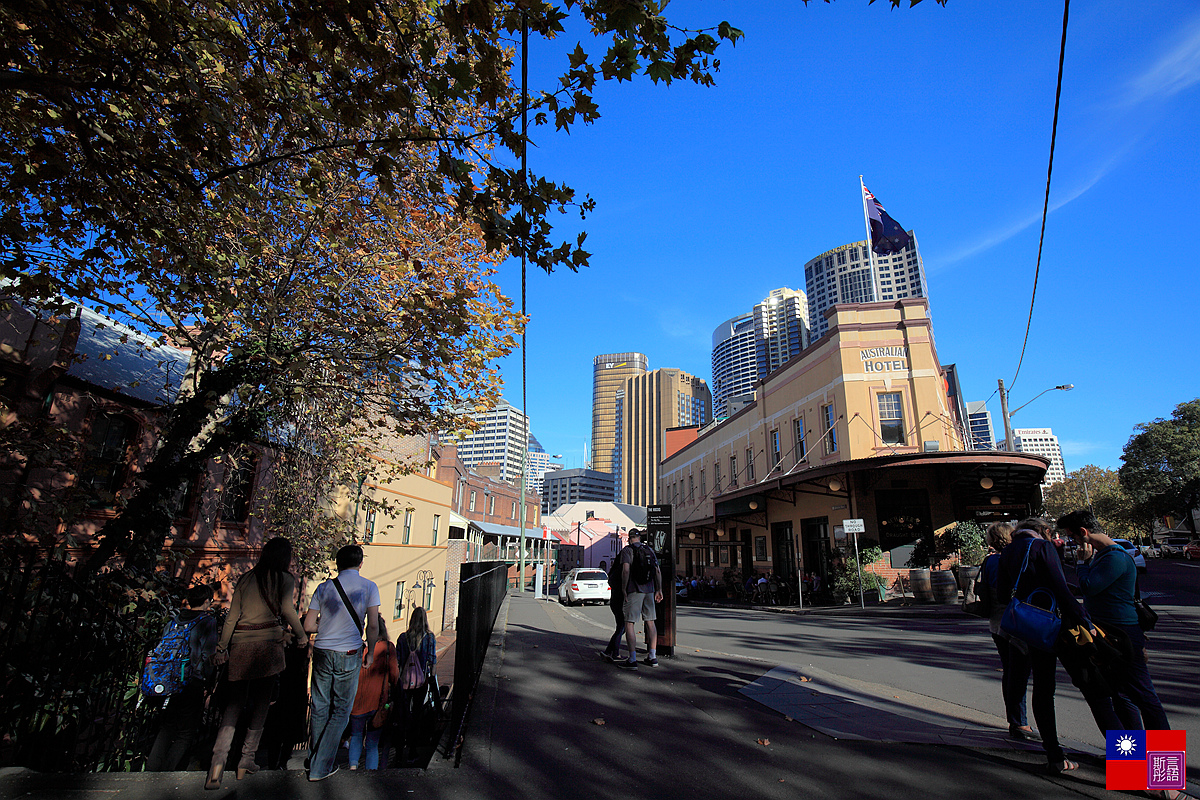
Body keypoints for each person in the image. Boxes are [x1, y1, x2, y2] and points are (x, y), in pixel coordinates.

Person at [997, 517, 1123, 776]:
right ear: (1043, 530)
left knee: (1043, 690)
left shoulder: (1007, 552)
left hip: (1034, 630)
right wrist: (1084, 620)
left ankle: (1055, 755)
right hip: (1062, 627)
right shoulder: (1042, 548)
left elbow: (1001, 593)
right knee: (1096, 693)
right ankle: (1127, 763)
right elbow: (1060, 588)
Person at [207, 538, 308, 789]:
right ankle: (246, 760)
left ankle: (216, 767)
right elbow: (287, 609)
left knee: (233, 706)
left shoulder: (246, 579)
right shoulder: (284, 579)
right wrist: (302, 635)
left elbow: (231, 617)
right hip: (268, 645)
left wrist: (222, 647)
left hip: (241, 644)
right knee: (262, 705)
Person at [1058, 509, 1170, 731]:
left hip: (1121, 632)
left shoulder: (1114, 557)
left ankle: (1165, 764)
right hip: (1110, 630)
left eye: (1072, 537)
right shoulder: (1105, 556)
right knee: (1121, 695)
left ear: (1084, 532)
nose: (1073, 542)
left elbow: (1090, 587)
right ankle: (1130, 760)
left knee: (1144, 696)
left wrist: (1082, 564)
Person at [303, 544, 381, 782]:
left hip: (323, 651)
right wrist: (370, 652)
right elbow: (374, 625)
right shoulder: (369, 587)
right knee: (341, 711)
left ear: (337, 564)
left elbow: (308, 626)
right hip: (350, 651)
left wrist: (325, 627)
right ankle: (319, 767)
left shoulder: (324, 587)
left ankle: (315, 758)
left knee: (319, 706)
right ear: (360, 564)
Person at [147, 584, 220, 772]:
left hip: (166, 680)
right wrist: (208, 681)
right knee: (186, 732)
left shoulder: (173, 622)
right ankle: (168, 771)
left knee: (167, 726)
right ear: (206, 602)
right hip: (191, 681)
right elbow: (208, 656)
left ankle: (151, 769)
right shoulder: (207, 622)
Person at [976, 522, 1036, 742]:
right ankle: (1021, 722)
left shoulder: (989, 561)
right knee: (1020, 672)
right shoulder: (1012, 559)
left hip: (996, 622)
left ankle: (1016, 720)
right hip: (1016, 621)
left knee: (1010, 670)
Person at [348, 617, 399, 770]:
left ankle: (352, 767)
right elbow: (394, 675)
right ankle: (371, 774)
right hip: (378, 702)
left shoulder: (359, 647)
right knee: (372, 743)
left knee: (356, 736)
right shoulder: (387, 648)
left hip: (357, 701)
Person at [395, 607, 438, 765]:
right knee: (417, 715)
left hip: (404, 682)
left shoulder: (402, 638)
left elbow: (398, 660)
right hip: (421, 682)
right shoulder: (429, 638)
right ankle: (413, 751)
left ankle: (399, 752)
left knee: (402, 715)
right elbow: (432, 660)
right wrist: (431, 678)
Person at [616, 529, 663, 670]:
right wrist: (658, 589)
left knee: (629, 623)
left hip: (634, 590)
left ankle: (632, 659)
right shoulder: (649, 550)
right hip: (649, 590)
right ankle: (652, 657)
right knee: (650, 622)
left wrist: (624, 589)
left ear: (629, 538)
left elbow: (625, 570)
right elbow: (657, 571)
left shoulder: (627, 551)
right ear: (639, 537)